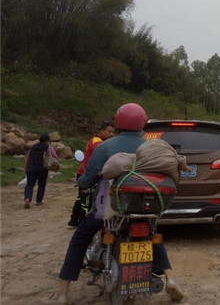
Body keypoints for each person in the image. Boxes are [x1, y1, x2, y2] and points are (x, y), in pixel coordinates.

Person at [44, 103, 184, 304]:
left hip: (109, 207)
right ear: (142, 123)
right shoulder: (151, 147)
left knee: (80, 237)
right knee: (152, 235)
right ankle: (170, 279)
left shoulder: (105, 146)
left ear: (118, 122)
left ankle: (62, 293)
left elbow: (88, 179)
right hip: (143, 207)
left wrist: (82, 183)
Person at [67, 122, 115, 229]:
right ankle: (81, 222)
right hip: (86, 174)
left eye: (113, 132)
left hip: (91, 173)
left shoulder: (104, 142)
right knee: (85, 199)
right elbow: (104, 151)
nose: (111, 134)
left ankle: (74, 221)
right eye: (109, 131)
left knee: (82, 198)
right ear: (101, 131)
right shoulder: (96, 141)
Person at [24, 134, 59, 208]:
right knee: (42, 184)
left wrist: (26, 168)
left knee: (30, 184)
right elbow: (55, 157)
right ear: (47, 141)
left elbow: (28, 158)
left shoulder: (33, 147)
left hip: (32, 167)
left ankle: (28, 198)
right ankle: (39, 201)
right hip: (43, 169)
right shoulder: (49, 148)